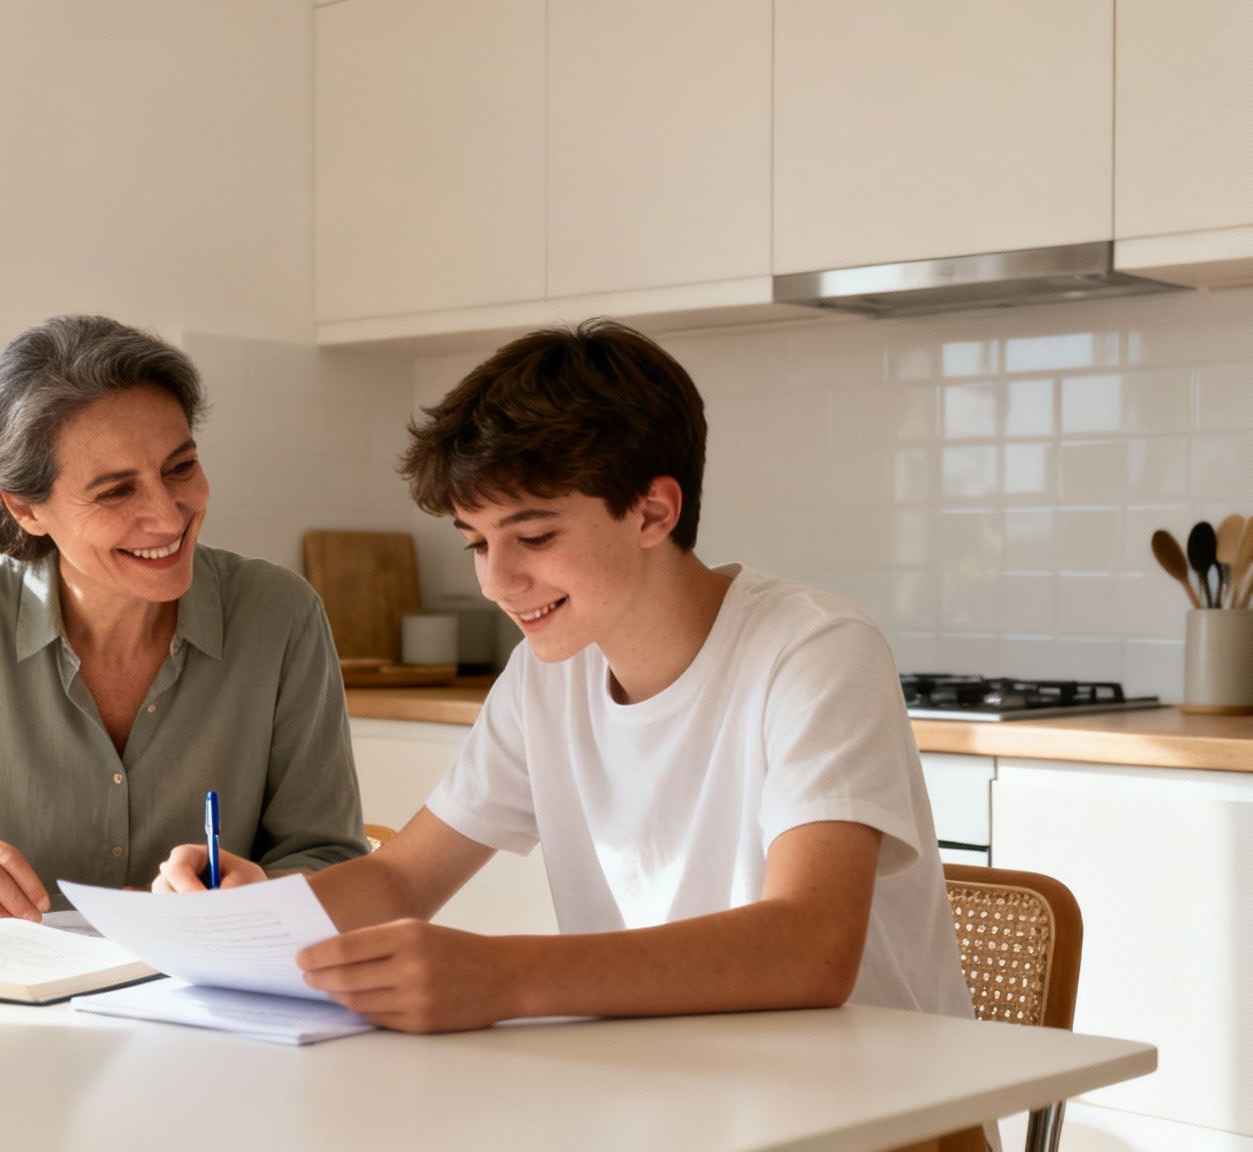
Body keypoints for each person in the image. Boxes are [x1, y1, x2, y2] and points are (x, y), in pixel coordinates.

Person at [156, 320, 976, 1039]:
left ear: (654, 511)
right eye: (476, 543)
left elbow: (810, 949)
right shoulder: (546, 678)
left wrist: (505, 977)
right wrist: (244, 922)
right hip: (672, 1096)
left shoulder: (813, 653)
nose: (495, 581)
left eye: (534, 535)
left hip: (878, 1118)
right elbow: (403, 878)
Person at [0, 315, 365, 920]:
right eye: (115, 491)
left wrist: (253, 892)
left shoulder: (280, 615)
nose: (167, 515)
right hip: (7, 1005)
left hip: (208, 1003)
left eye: (179, 467)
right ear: (26, 510)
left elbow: (334, 859)